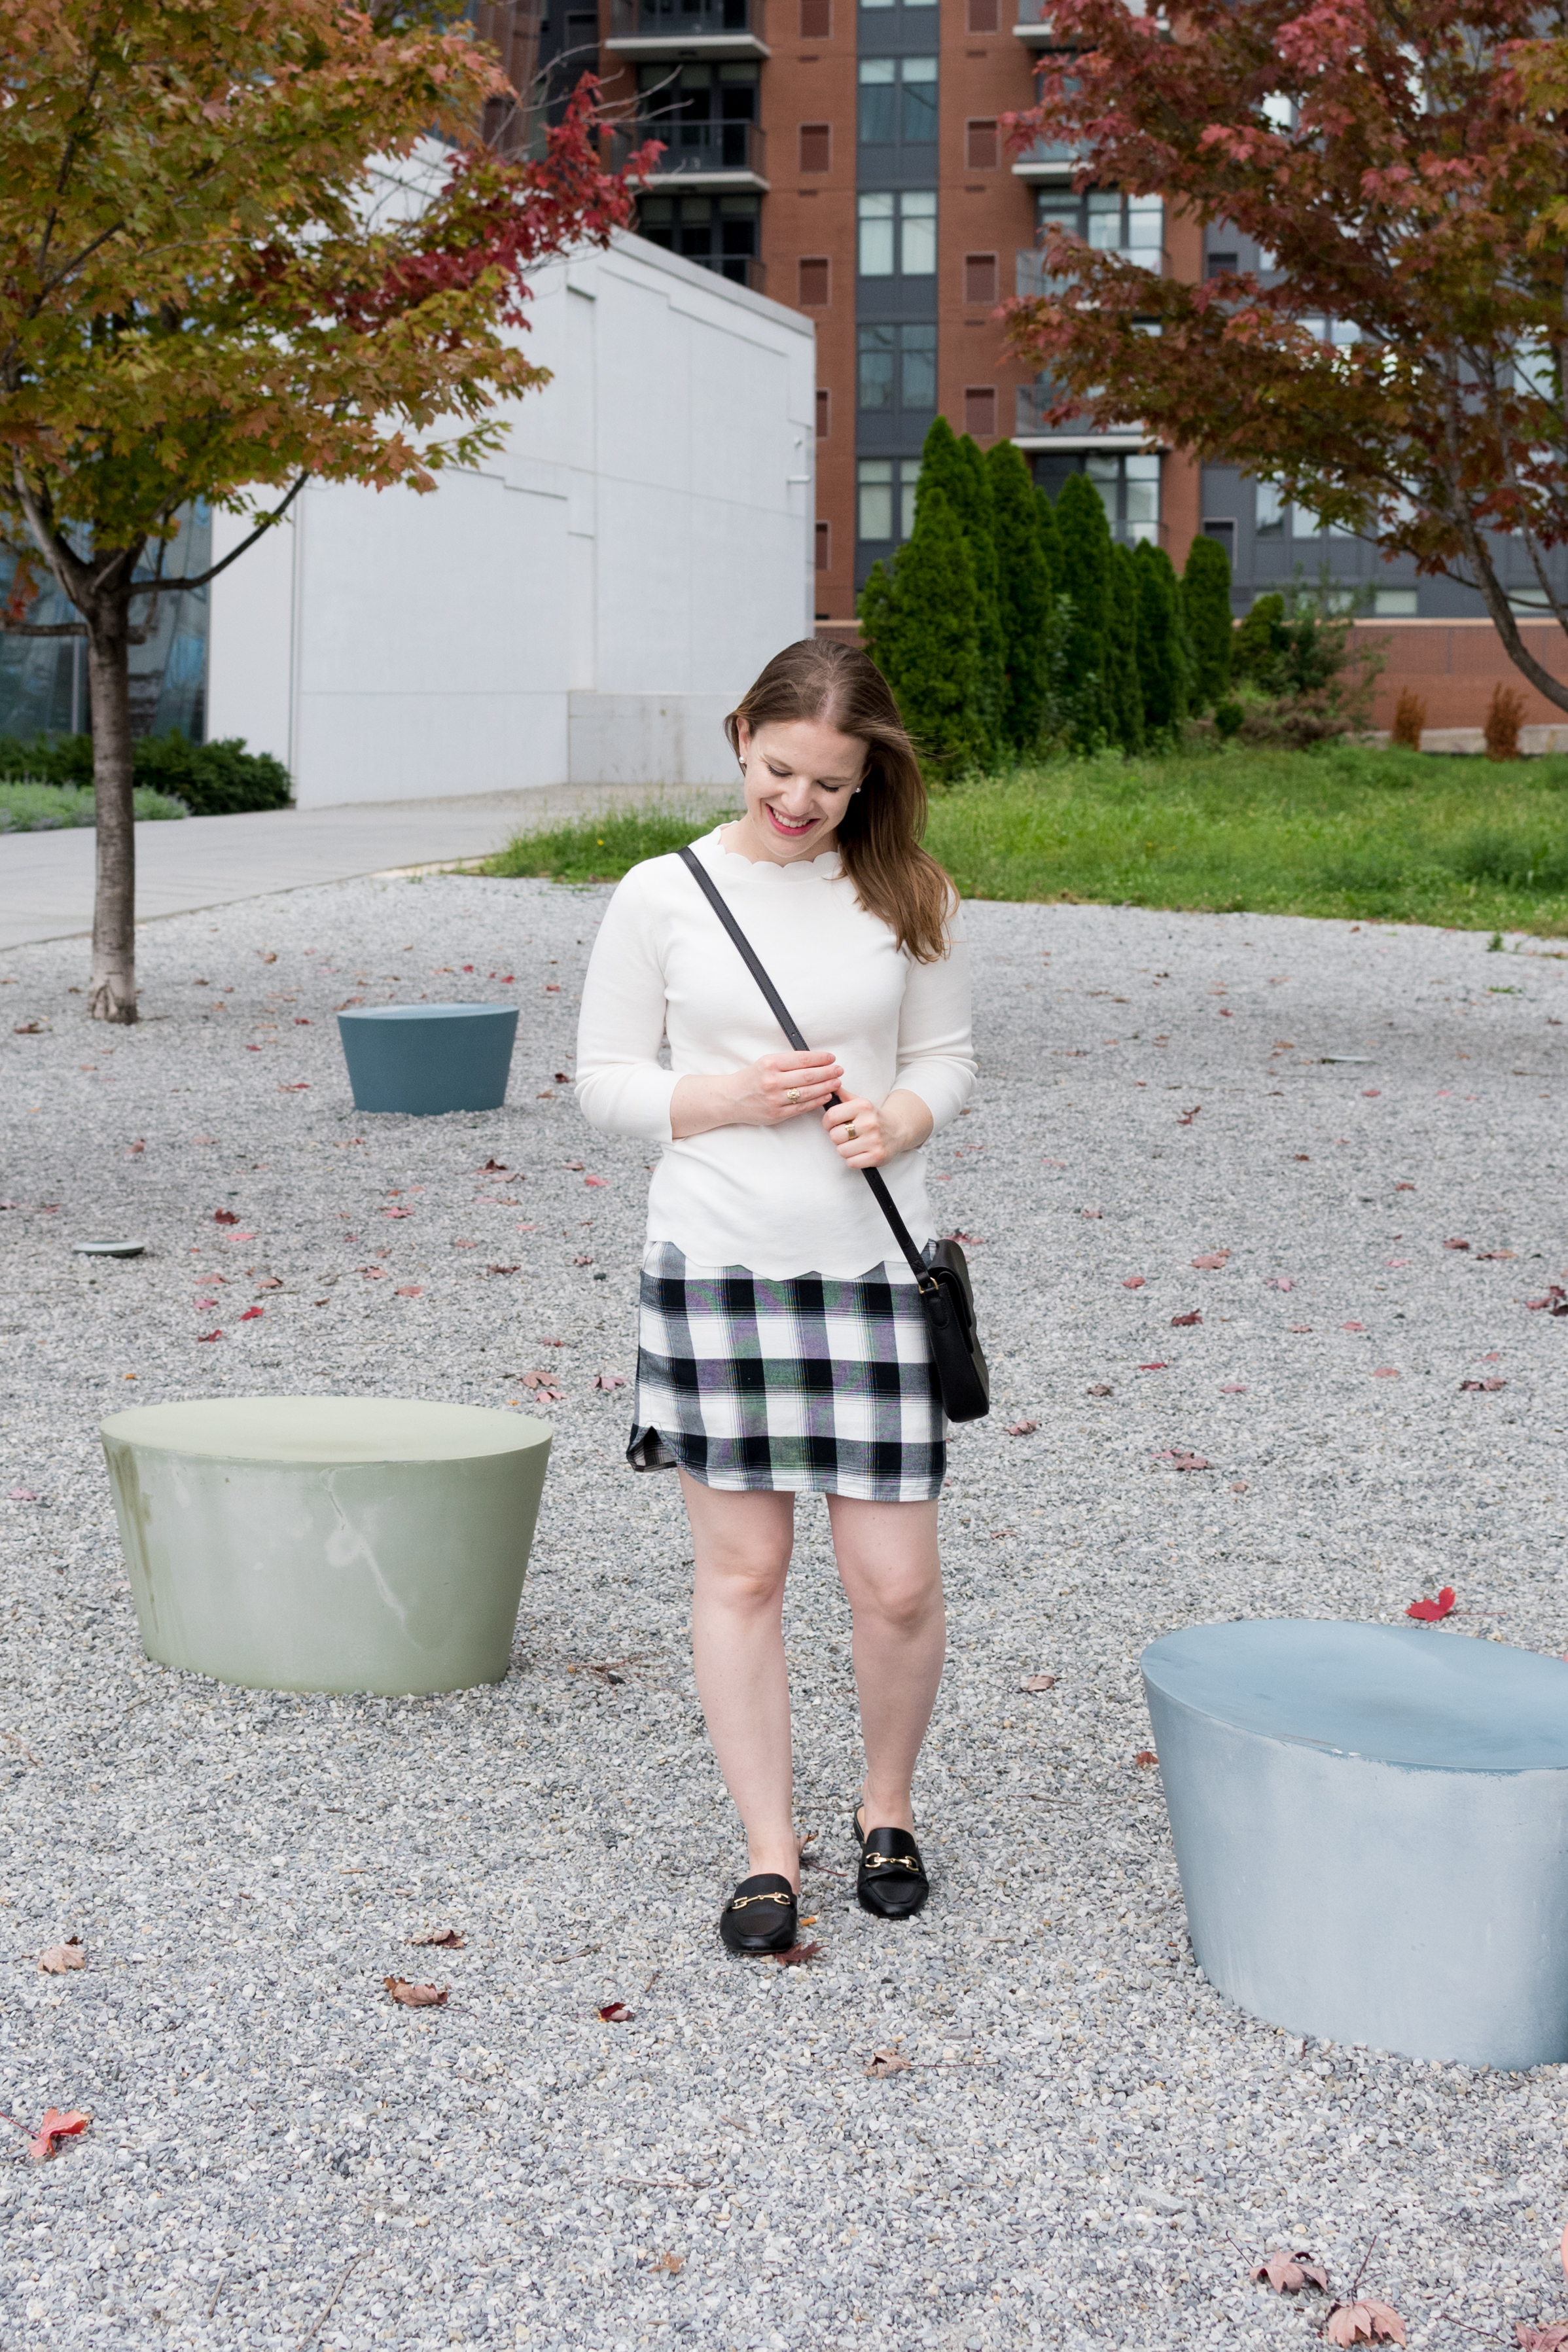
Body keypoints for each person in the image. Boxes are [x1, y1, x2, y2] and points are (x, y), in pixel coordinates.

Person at [575, 639, 976, 1954]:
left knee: (896, 1584)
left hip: (869, 1270)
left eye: (831, 784)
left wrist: (900, 1116)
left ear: (873, 783)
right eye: (780, 770)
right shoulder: (662, 893)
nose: (798, 802)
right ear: (741, 735)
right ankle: (765, 1850)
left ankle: (886, 1808)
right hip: (718, 1271)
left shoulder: (908, 889)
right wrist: (724, 1100)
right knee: (743, 1574)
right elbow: (604, 1079)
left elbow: (945, 1057)